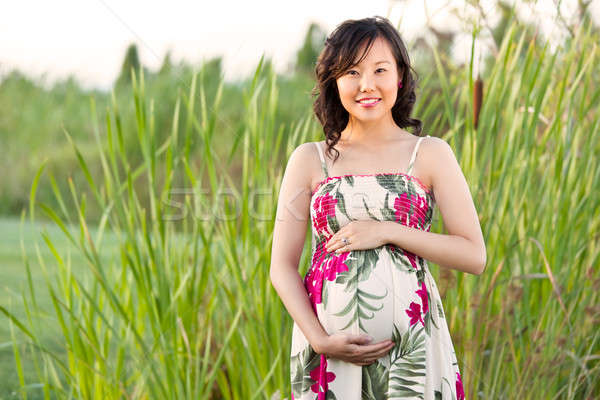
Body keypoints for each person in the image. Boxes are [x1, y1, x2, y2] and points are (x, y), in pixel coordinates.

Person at [269, 16, 486, 400]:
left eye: (380, 70)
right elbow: (281, 268)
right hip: (331, 355)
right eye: (352, 71)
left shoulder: (430, 154)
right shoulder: (309, 159)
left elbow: (473, 255)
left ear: (399, 77)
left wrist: (386, 230)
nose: (366, 85)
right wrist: (320, 341)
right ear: (334, 83)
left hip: (413, 355)